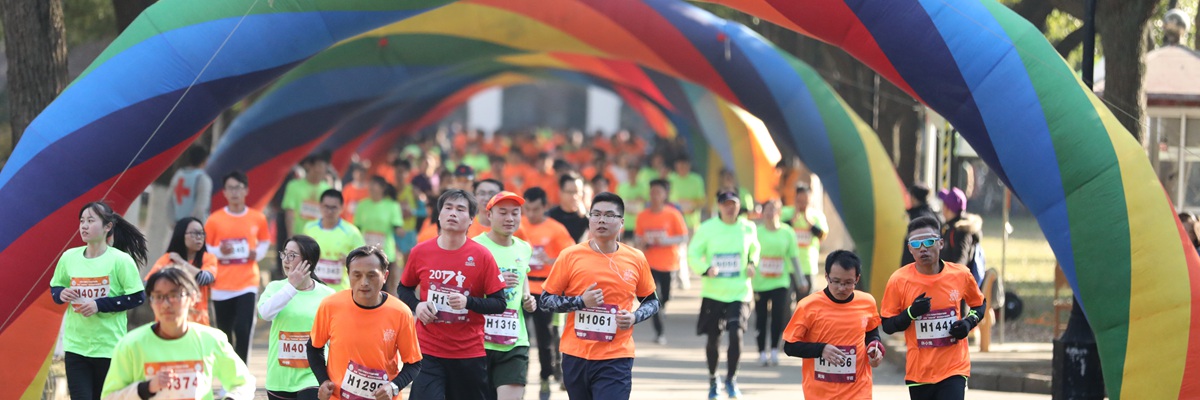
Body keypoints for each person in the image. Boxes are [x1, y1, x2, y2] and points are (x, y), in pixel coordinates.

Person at [540, 192, 659, 400]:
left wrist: (634, 317)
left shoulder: (636, 258)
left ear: (621, 222)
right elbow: (545, 301)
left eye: (609, 215)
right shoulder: (570, 256)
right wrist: (580, 302)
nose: (601, 220)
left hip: (616, 356)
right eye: (596, 214)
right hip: (576, 355)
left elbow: (652, 302)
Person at [398, 189, 508, 400]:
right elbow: (403, 288)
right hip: (428, 350)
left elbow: (499, 303)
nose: (453, 213)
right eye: (448, 208)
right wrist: (418, 305)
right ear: (439, 215)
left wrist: (468, 302)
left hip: (468, 352)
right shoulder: (420, 251)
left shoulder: (482, 255)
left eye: (460, 209)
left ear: (471, 219)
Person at [101, 268, 254, 399]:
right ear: (151, 302)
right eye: (159, 297)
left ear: (192, 297)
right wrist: (146, 388)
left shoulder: (211, 340)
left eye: (174, 295)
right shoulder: (131, 344)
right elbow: (109, 396)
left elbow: (244, 383)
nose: (166, 304)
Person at [881, 216, 986, 400]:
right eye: (916, 243)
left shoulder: (960, 274)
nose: (923, 248)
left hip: (954, 368)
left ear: (941, 243)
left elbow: (979, 304)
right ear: (910, 249)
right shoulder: (899, 280)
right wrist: (911, 313)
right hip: (919, 372)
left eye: (929, 242)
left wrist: (968, 323)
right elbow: (888, 325)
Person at [51, 201, 148, 400]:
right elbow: (55, 288)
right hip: (76, 346)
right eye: (82, 221)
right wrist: (61, 294)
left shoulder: (121, 261)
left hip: (108, 347)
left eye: (90, 221)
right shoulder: (69, 257)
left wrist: (99, 305)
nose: (84, 226)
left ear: (107, 226)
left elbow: (137, 297)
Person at [308, 246, 422, 400]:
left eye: (371, 275)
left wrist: (393, 387)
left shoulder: (400, 312)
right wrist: (323, 381)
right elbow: (314, 347)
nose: (364, 282)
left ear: (385, 276)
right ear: (348, 275)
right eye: (357, 275)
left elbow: (414, 363)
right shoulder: (330, 305)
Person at [782, 250, 885, 399]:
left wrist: (875, 347)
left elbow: (871, 332)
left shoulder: (867, 302)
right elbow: (790, 346)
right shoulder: (808, 306)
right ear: (826, 276)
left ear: (857, 278)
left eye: (848, 283)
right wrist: (821, 349)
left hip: (858, 391)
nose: (842, 288)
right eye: (836, 281)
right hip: (820, 393)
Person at [688, 191, 759, 400]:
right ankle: (713, 379)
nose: (730, 208)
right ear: (719, 206)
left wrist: (752, 263)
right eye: (726, 204)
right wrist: (705, 268)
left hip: (740, 292)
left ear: (739, 206)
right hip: (714, 293)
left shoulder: (748, 227)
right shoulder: (707, 228)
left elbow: (755, 248)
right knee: (713, 340)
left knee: (736, 334)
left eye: (733, 204)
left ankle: (731, 379)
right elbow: (693, 253)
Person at [473, 191, 539, 400]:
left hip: (514, 341)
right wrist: (495, 281)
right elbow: (465, 289)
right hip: (477, 341)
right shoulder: (475, 247)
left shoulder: (524, 248)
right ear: (489, 215)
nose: (509, 218)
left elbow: (522, 275)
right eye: (503, 213)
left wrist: (527, 298)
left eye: (515, 213)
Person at [513, 187, 575, 397]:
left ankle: (545, 377)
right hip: (521, 287)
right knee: (518, 337)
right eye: (527, 209)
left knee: (545, 338)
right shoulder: (517, 226)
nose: (531, 214)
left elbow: (571, 256)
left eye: (536, 209)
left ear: (545, 207)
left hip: (545, 289)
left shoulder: (556, 229)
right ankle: (518, 379)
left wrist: (552, 260)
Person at [258, 235, 337, 400]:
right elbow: (265, 313)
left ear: (309, 261)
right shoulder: (275, 288)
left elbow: (335, 336)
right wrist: (292, 286)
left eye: (292, 255)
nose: (286, 260)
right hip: (280, 377)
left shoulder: (327, 295)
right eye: (284, 254)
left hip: (313, 375)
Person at [205, 170, 271, 363]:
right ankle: (228, 372)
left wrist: (257, 253)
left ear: (246, 190)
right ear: (224, 192)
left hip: (247, 283)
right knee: (224, 333)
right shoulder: (215, 219)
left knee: (243, 329)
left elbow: (264, 241)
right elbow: (206, 248)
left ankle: (242, 372)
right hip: (221, 285)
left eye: (238, 188)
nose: (234, 192)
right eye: (230, 188)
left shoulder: (257, 218)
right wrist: (220, 251)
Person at [633, 179, 688, 345]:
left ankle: (661, 307)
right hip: (648, 263)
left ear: (665, 195)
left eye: (658, 192)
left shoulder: (673, 214)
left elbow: (683, 237)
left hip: (669, 263)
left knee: (666, 296)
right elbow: (637, 237)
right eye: (652, 192)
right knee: (654, 298)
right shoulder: (642, 215)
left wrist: (664, 241)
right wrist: (643, 242)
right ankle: (659, 332)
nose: (654, 196)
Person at [750, 199, 802, 366]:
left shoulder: (787, 232)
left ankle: (774, 349)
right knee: (761, 316)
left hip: (780, 281)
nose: (770, 213)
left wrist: (801, 279)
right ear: (762, 212)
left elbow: (794, 257)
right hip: (760, 282)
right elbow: (748, 254)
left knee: (778, 316)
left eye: (773, 209)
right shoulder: (756, 232)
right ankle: (761, 352)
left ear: (779, 212)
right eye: (767, 209)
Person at [146, 217, 218, 326]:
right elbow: (148, 283)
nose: (199, 237)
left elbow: (205, 278)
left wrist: (180, 262)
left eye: (202, 233)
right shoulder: (168, 259)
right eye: (194, 233)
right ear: (181, 234)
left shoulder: (208, 258)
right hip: (167, 321)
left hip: (198, 323)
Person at [305, 189, 367, 292]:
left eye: (334, 207)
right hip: (313, 289)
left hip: (340, 290)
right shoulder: (309, 228)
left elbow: (364, 260)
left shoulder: (352, 232)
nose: (330, 211)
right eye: (326, 207)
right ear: (320, 206)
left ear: (342, 208)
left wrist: (350, 261)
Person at [354, 176, 405, 292]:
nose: (371, 188)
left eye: (374, 185)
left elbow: (397, 226)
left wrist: (400, 231)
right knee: (364, 282)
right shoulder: (362, 205)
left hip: (385, 251)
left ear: (382, 188)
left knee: (382, 285)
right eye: (370, 185)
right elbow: (357, 227)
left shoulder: (392, 206)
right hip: (365, 250)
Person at [936, 187, 985, 285]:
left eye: (944, 204)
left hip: (955, 288)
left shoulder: (961, 232)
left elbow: (960, 262)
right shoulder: (950, 227)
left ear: (948, 208)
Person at [283, 152, 333, 239]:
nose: (321, 170)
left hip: (319, 237)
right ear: (309, 166)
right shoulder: (294, 186)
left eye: (324, 167)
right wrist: (290, 235)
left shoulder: (327, 189)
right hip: (300, 236)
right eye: (319, 166)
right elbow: (290, 212)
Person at [790, 184, 826, 296]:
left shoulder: (817, 216)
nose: (802, 204)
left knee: (806, 301)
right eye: (799, 201)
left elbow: (822, 235)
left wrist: (809, 221)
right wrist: (793, 220)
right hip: (789, 267)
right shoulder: (786, 213)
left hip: (808, 266)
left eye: (805, 201)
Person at [166, 146, 213, 226]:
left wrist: (173, 224)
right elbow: (201, 207)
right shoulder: (203, 179)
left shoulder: (178, 175)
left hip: (177, 225)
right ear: (204, 161)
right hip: (194, 227)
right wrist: (191, 226)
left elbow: (169, 202)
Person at [668, 158, 706, 233]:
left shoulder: (697, 179)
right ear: (676, 166)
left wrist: (691, 204)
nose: (682, 169)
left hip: (692, 224)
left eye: (684, 166)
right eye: (680, 166)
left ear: (689, 166)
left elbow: (702, 201)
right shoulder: (670, 179)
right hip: (673, 223)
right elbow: (666, 201)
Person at [549, 173, 590, 242]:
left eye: (577, 192)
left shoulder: (587, 217)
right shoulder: (551, 216)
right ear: (560, 192)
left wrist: (585, 216)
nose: (574, 196)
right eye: (570, 192)